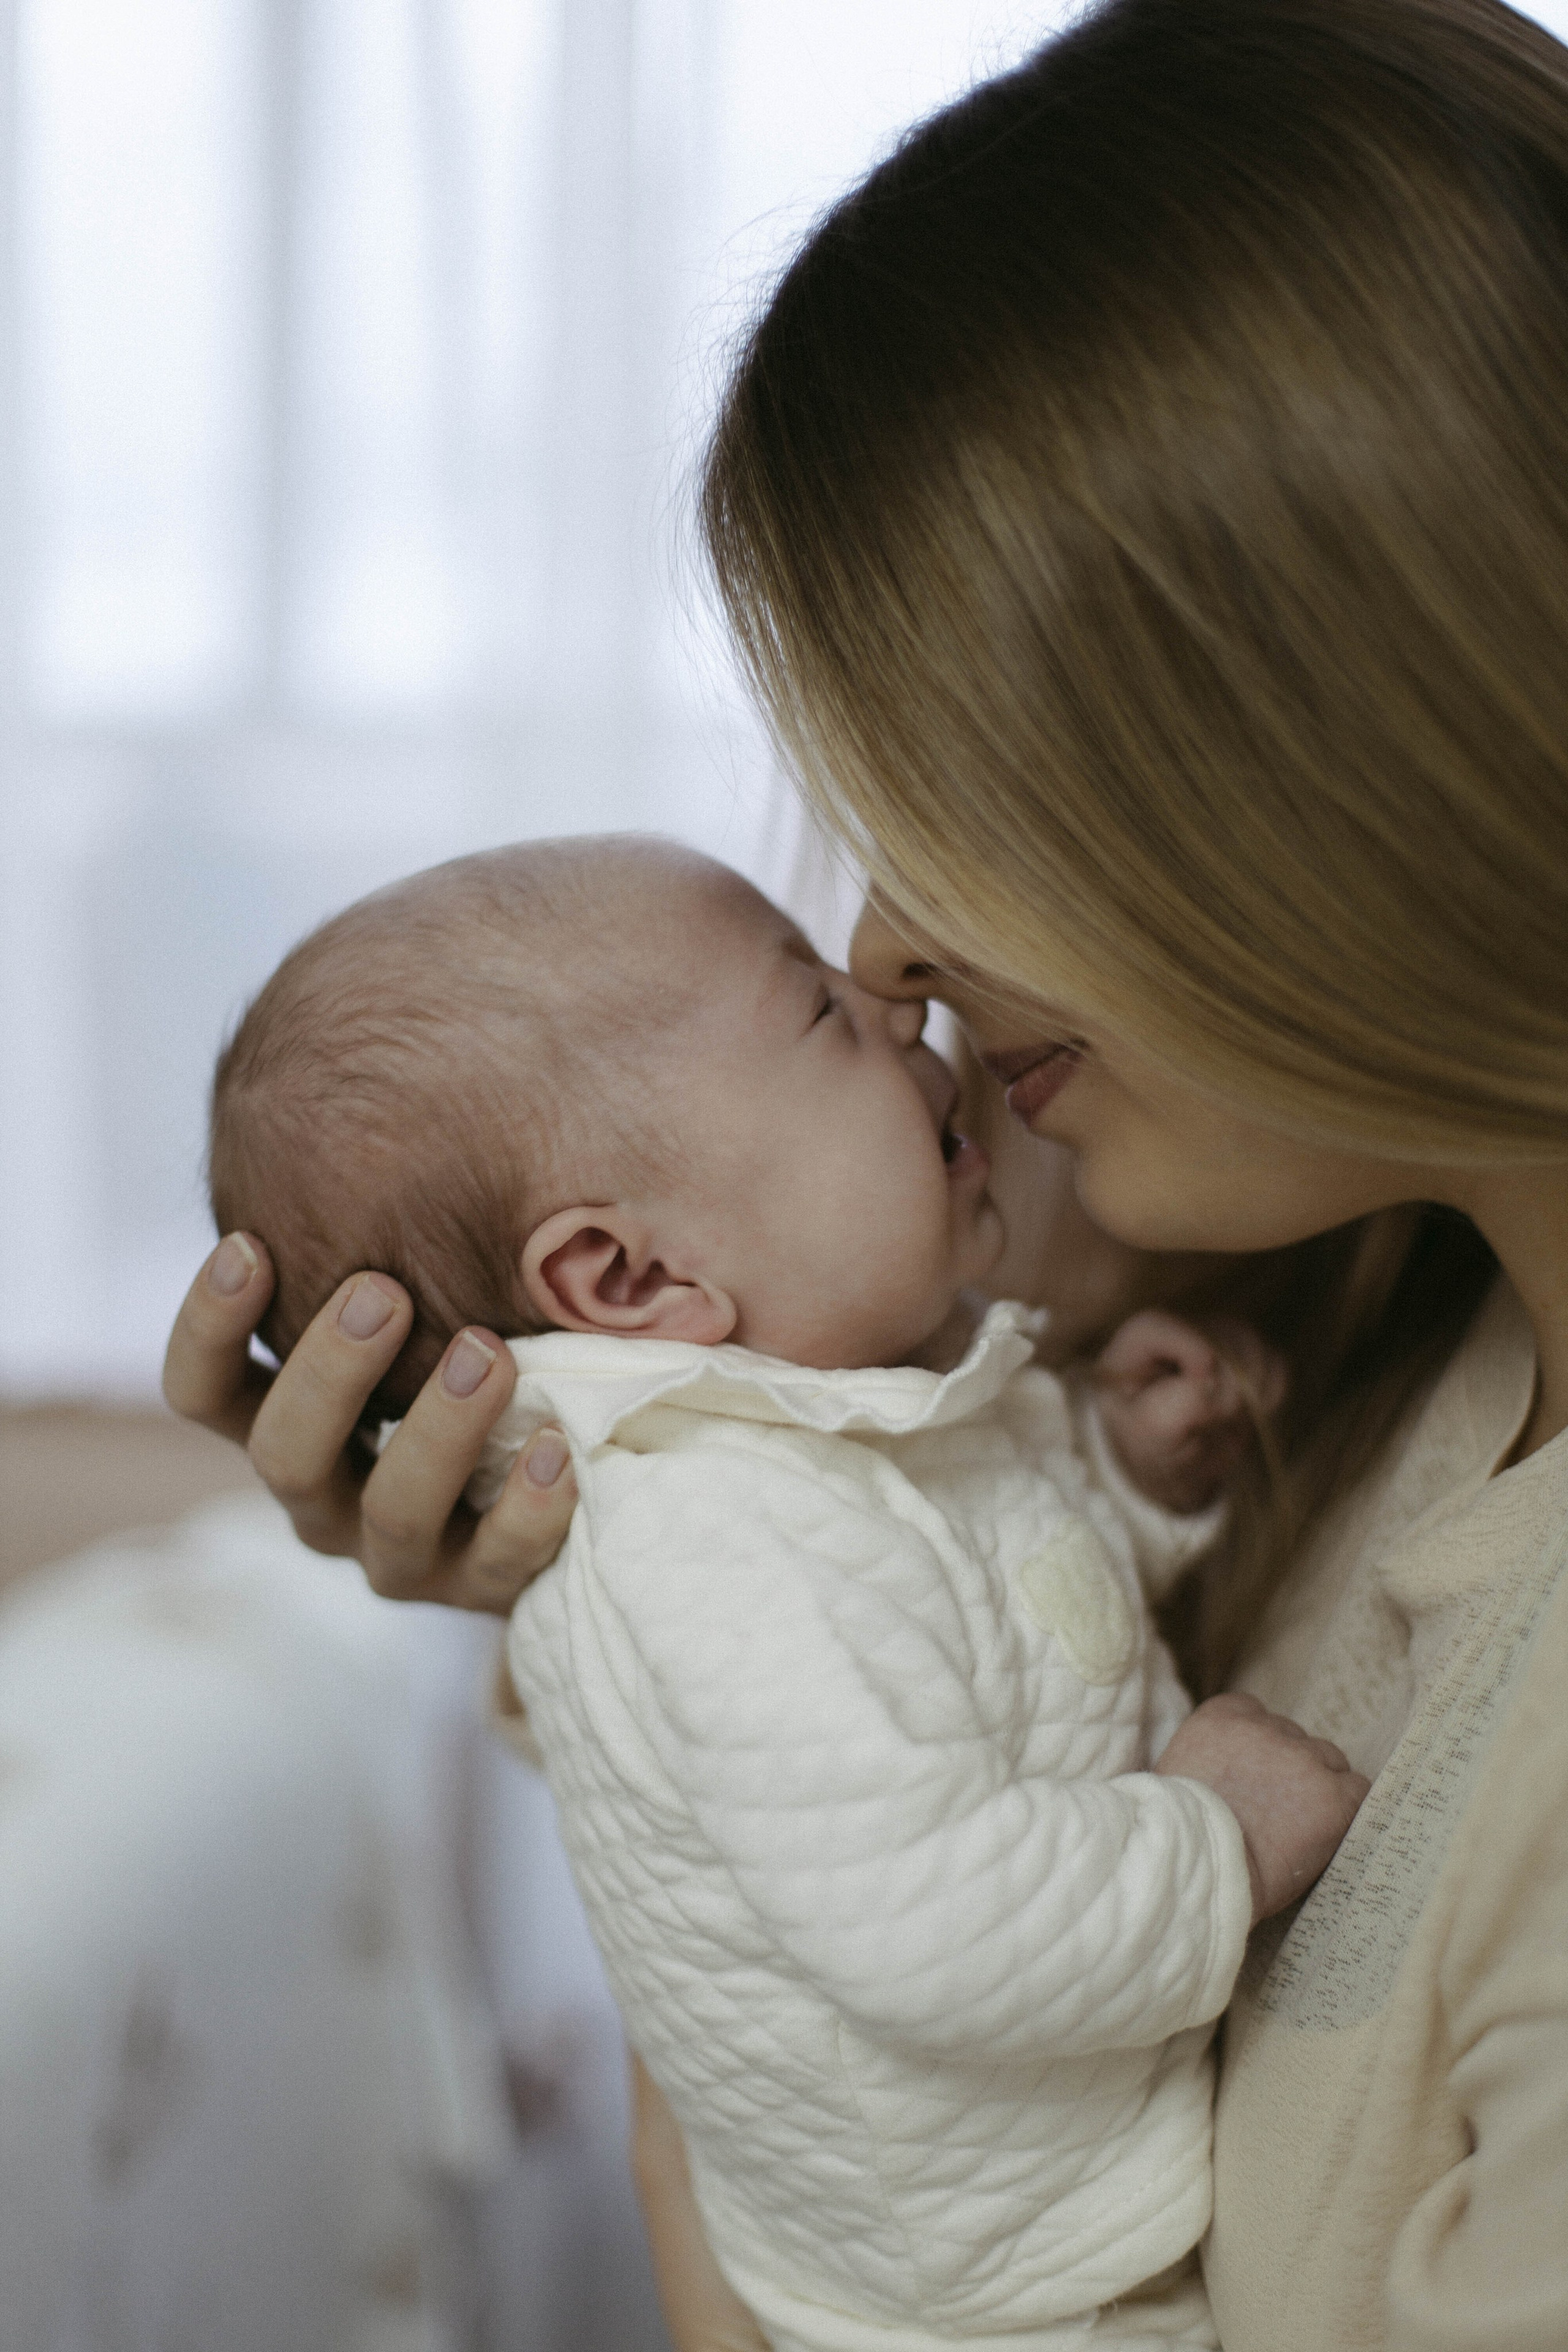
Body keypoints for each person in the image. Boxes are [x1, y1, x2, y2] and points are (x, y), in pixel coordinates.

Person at [164, 0, 1568, 2345]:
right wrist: (596, 1598)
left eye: (961, 805)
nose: (893, 944)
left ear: (1338, 753)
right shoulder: (1351, 1324)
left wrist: (697, 2177)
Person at [206, 831, 1359, 2352]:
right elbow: (928, 1918)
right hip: (1003, 2301)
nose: (894, 1004)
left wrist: (1130, 1480)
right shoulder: (710, 1534)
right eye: (818, 1009)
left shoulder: (839, 1422)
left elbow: (1001, 1634)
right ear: (628, 1281)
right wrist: (1211, 1844)